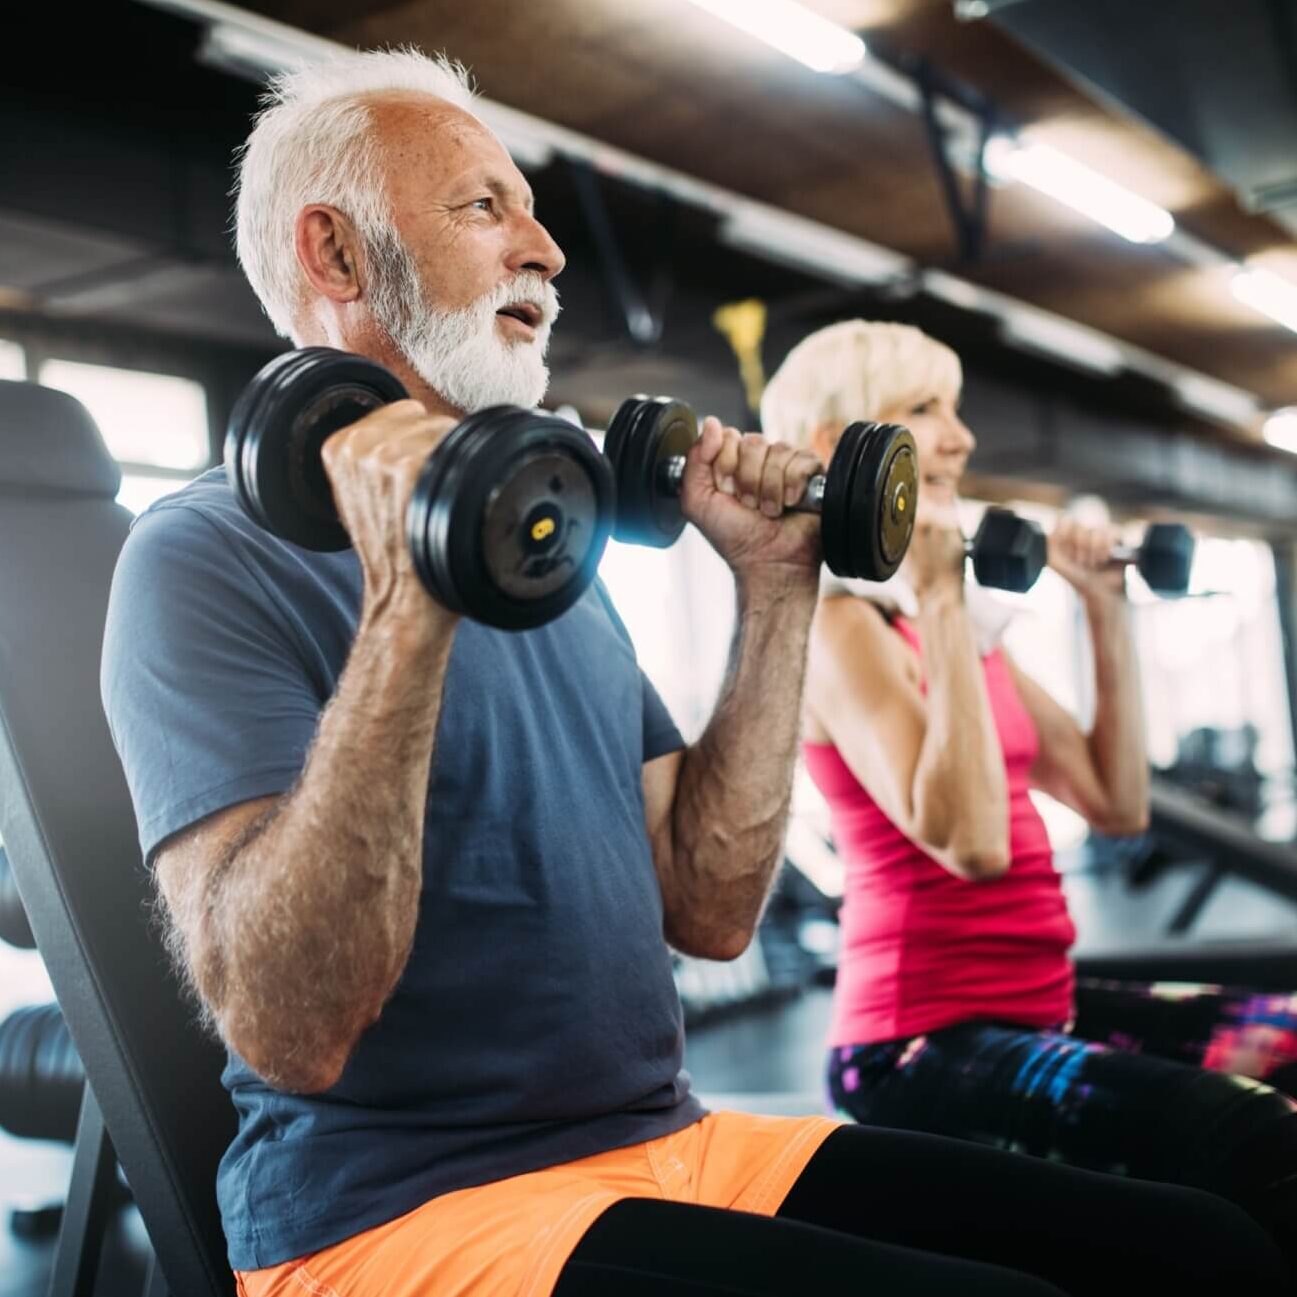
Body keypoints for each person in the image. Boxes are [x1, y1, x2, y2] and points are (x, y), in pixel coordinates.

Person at [101, 52, 1288, 1297]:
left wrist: (777, 588)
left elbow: (711, 910)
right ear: (336, 256)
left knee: (1201, 1247)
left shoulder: (542, 558)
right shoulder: (199, 557)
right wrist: (408, 603)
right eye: (482, 207)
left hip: (668, 1143)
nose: (546, 249)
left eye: (531, 207)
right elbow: (289, 1025)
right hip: (396, 1217)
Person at [762, 317, 1297, 1268]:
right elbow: (968, 841)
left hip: (1036, 1002)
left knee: (1287, 1040)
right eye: (923, 410)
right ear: (833, 448)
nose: (962, 437)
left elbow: (1112, 800)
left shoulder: (964, 636)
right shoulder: (840, 629)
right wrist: (937, 598)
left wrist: (1103, 608)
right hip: (916, 1045)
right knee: (1252, 1138)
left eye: (955, 409)